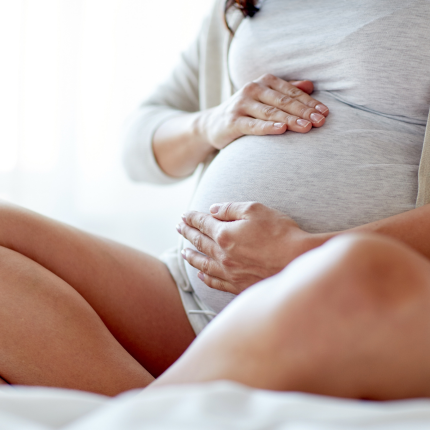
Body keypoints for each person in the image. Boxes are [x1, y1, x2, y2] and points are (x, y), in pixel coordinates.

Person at [0, 0, 429, 400]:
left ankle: (144, 415)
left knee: (358, 267)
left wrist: (302, 254)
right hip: (189, 296)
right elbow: (138, 143)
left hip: (348, 303)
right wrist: (211, 123)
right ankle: (152, 410)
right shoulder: (245, 8)